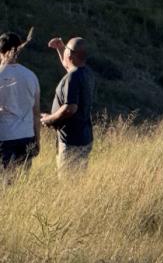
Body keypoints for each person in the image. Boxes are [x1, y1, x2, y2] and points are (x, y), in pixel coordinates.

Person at [40, 37, 95, 173]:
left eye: (66, 49)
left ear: (70, 54)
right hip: (83, 137)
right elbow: (68, 65)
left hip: (71, 141)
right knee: (78, 182)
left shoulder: (73, 77)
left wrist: (49, 119)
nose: (65, 51)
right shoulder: (86, 72)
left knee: (69, 184)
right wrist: (60, 48)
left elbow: (70, 108)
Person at [0, 32, 40, 178]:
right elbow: (36, 112)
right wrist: (37, 140)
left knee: (6, 182)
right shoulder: (31, 76)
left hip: (5, 137)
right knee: (24, 182)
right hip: (26, 136)